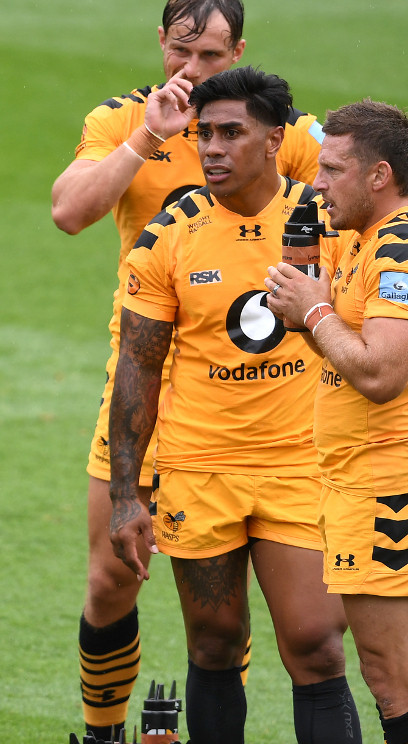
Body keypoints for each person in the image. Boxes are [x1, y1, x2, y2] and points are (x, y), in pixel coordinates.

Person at [49, 0, 324, 737]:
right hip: (145, 383)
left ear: (239, 53)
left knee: (223, 609)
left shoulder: (268, 128)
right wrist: (149, 136)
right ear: (161, 44)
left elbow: (367, 181)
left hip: (244, 395)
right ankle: (103, 730)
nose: (193, 69)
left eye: (211, 55)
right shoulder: (121, 119)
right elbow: (70, 211)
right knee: (111, 580)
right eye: (181, 50)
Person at [108, 67, 360, 744]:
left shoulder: (327, 223)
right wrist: (126, 495)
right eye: (204, 134)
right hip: (200, 466)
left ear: (275, 139)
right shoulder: (169, 234)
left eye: (231, 133)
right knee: (215, 642)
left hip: (301, 464)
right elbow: (138, 366)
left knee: (316, 645)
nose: (212, 148)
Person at [265, 100, 408, 744]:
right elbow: (346, 350)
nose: (315, 183)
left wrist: (316, 313)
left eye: (332, 170)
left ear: (379, 175)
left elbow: (380, 375)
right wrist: (305, 315)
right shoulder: (358, 237)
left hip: (386, 488)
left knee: (392, 677)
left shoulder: (398, 248)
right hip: (357, 481)